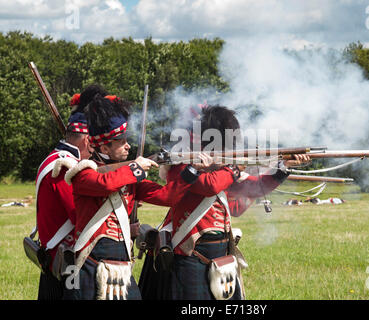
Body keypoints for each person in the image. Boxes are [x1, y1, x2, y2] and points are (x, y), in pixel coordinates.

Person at [139, 105, 310, 300]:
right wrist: (235, 168)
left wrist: (283, 168)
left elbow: (255, 188)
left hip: (222, 252)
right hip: (190, 253)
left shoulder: (223, 169)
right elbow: (209, 186)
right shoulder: (182, 165)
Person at [62, 94, 202, 300]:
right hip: (92, 263)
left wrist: (191, 170)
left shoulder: (127, 175)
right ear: (104, 147)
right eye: (121, 142)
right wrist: (136, 168)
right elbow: (106, 184)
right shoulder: (84, 174)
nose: (128, 146)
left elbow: (167, 197)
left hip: (122, 265)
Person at [35, 97, 93, 300]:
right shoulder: (65, 166)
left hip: (57, 255)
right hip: (64, 258)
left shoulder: (57, 158)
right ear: (87, 139)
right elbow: (80, 216)